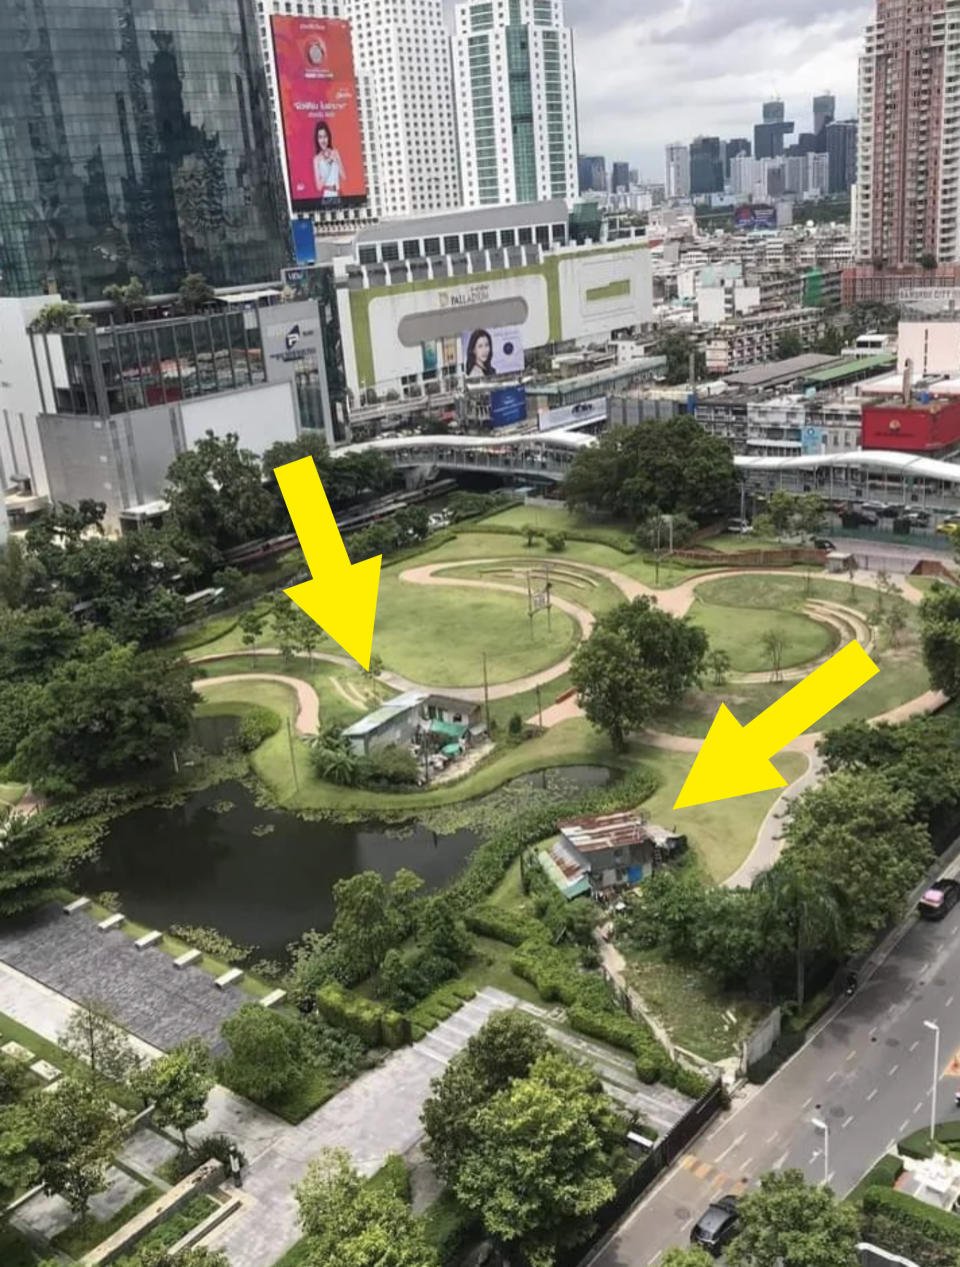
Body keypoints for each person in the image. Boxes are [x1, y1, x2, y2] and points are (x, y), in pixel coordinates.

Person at [313, 121, 345, 201]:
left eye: (325, 136)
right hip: (328, 195)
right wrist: (329, 164)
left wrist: (336, 161)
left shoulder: (335, 152)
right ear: (317, 139)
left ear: (328, 137)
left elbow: (343, 176)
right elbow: (319, 187)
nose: (323, 140)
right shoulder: (317, 159)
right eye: (320, 137)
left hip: (339, 194)